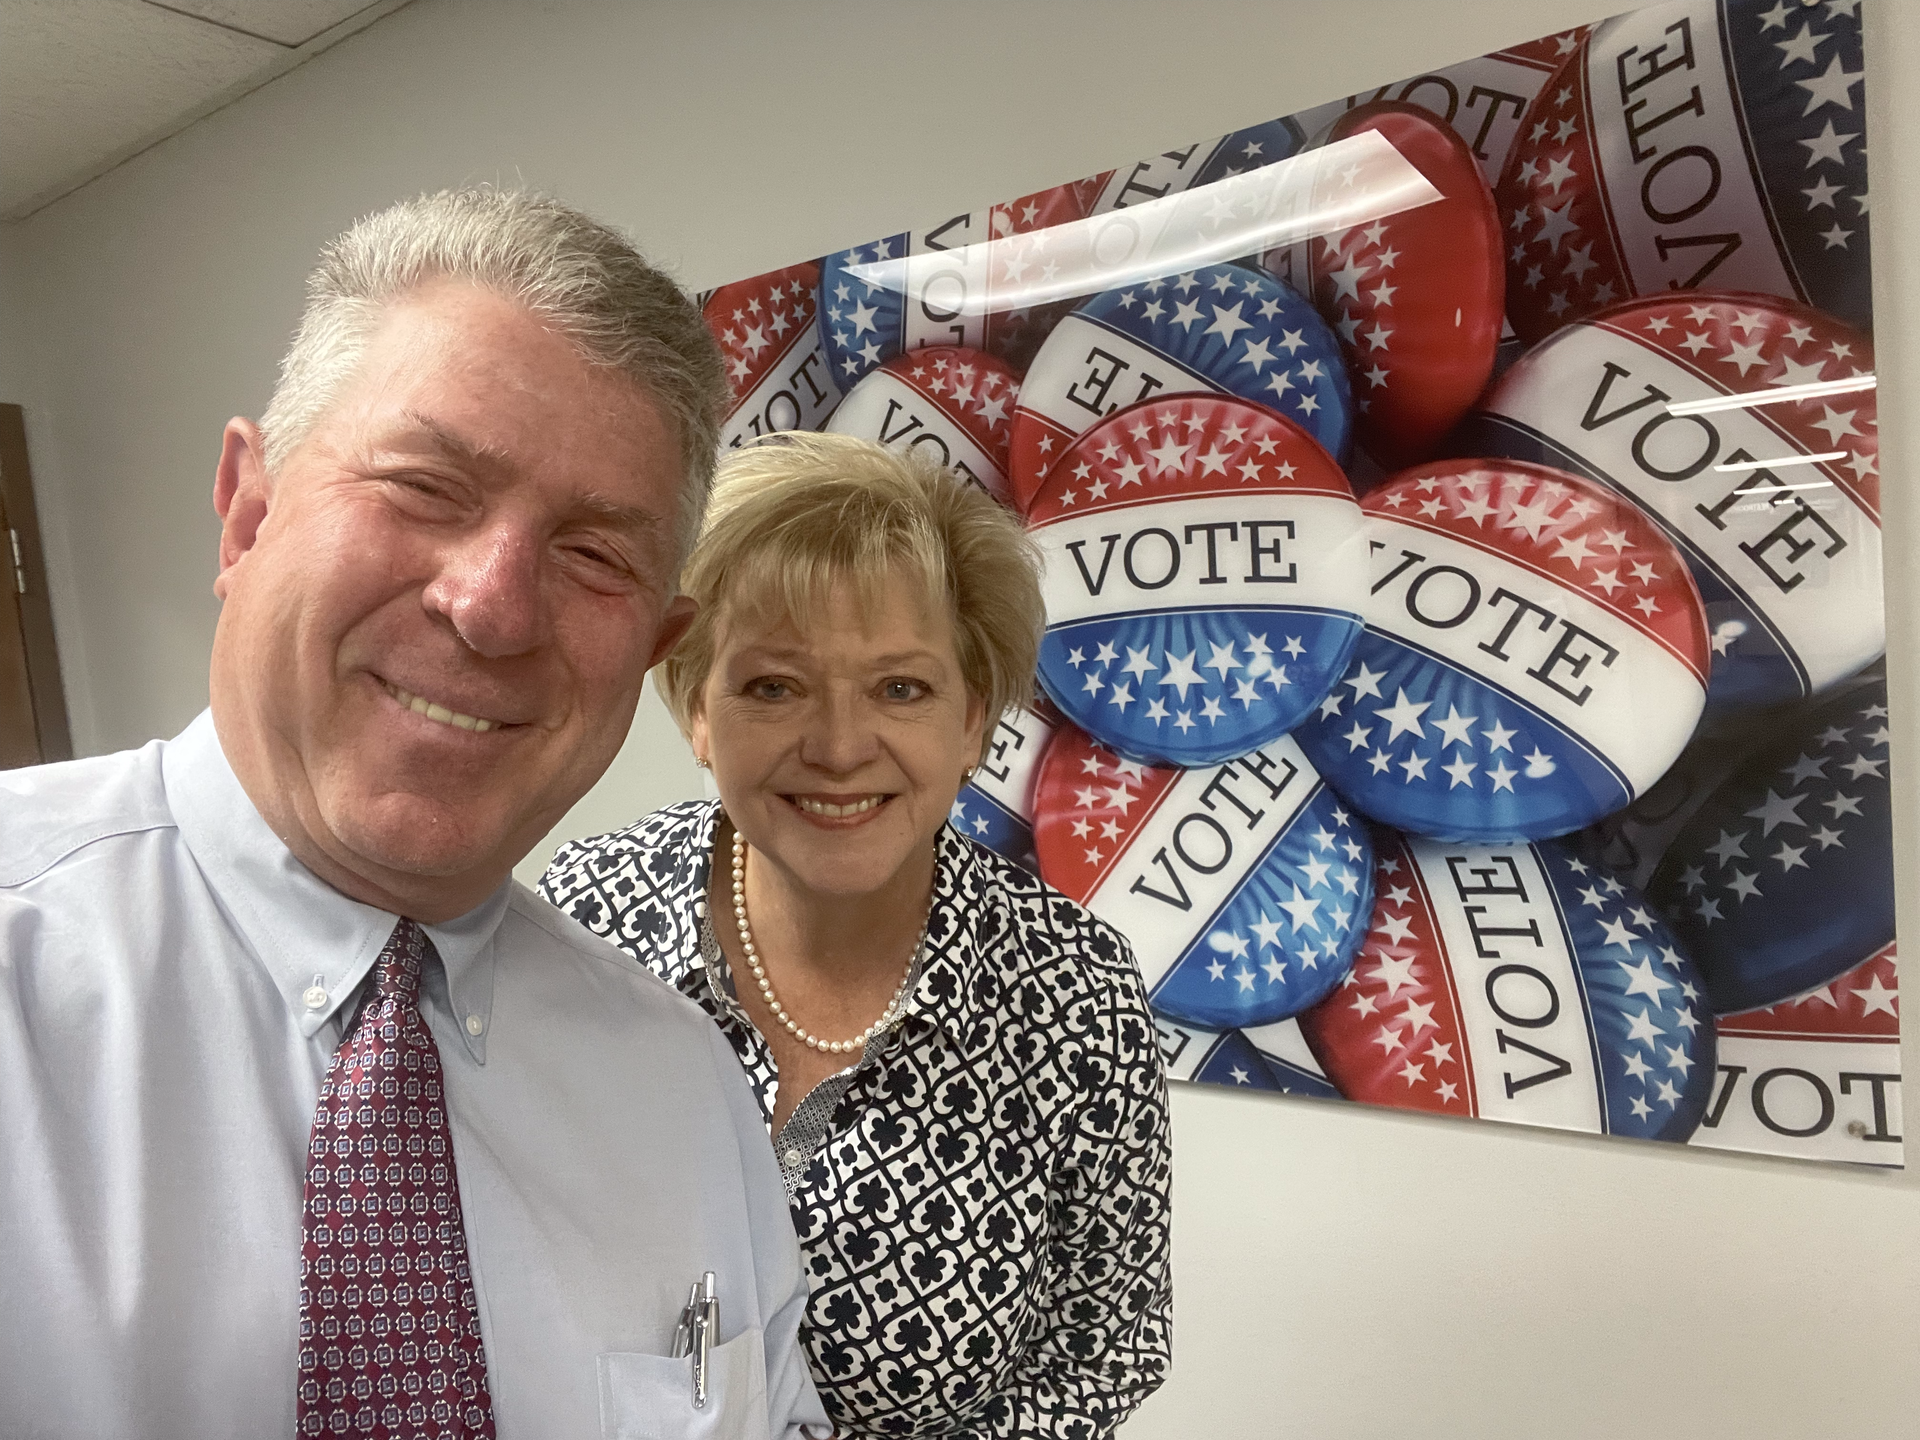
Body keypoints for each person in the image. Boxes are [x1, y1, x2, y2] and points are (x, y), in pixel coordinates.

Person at [0, 188, 830, 1439]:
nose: (492, 606)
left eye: (596, 554)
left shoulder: (685, 1088)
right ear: (249, 513)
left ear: (654, 648)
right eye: (424, 487)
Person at [541, 433, 1173, 1439]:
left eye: (900, 689)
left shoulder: (1076, 994)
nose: (839, 747)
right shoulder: (584, 919)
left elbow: (1105, 1351)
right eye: (774, 686)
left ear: (973, 721)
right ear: (696, 708)